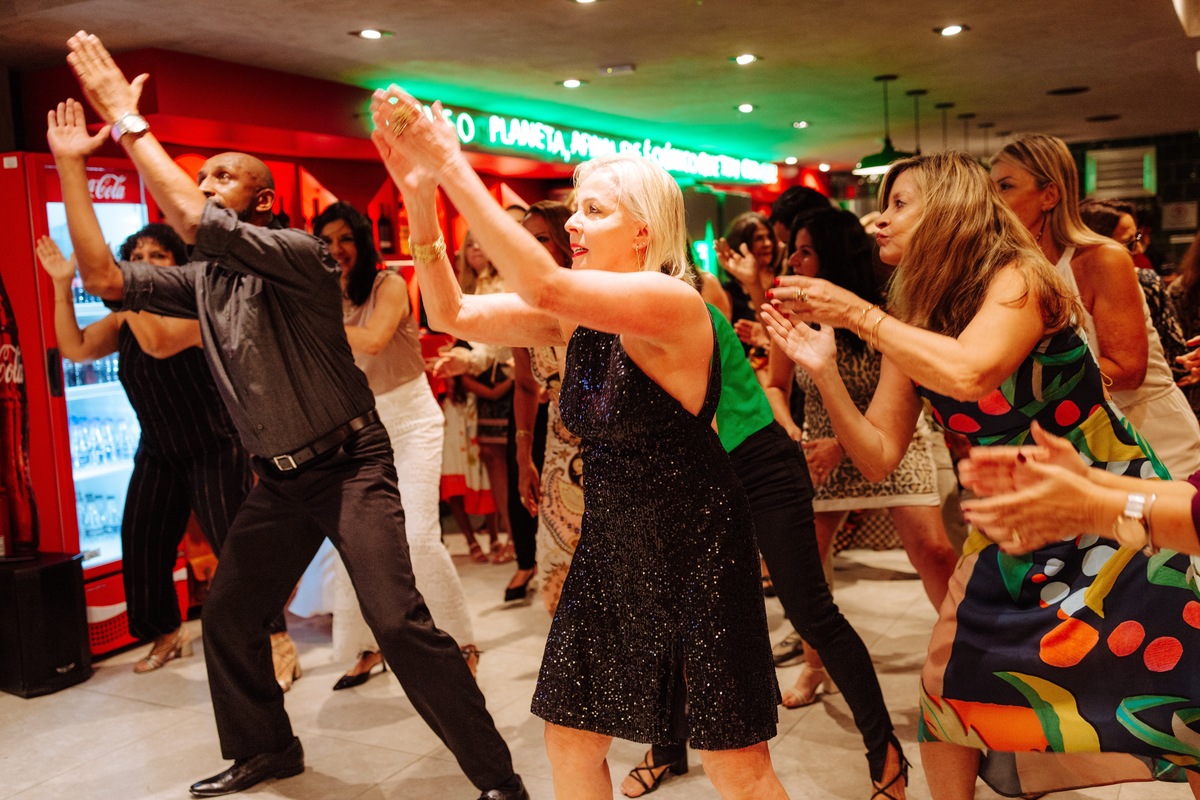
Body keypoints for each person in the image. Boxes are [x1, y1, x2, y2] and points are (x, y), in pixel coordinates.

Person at [64, 32, 526, 800]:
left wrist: (128, 120)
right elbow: (104, 276)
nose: (207, 185)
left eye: (224, 177)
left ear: (263, 201)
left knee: (399, 623)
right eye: (201, 173)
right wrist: (78, 164)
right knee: (230, 616)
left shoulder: (300, 255)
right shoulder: (206, 279)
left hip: (351, 464)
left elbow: (191, 220)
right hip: (279, 481)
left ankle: (498, 780)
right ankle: (267, 750)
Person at [371, 86, 787, 799]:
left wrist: (450, 162)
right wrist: (418, 193)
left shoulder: (672, 302)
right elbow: (451, 310)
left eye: (594, 209)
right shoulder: (577, 316)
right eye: (574, 207)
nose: (573, 221)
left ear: (645, 234)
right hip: (610, 544)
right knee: (569, 739)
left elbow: (545, 283)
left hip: (695, 546)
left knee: (734, 764)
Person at [762, 150, 1200, 798]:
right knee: (949, 697)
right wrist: (824, 371)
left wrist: (858, 315)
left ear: (950, 209)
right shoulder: (909, 319)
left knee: (1173, 698)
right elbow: (879, 454)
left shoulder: (1018, 278)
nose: (878, 222)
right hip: (1012, 523)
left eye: (899, 204)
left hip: (1103, 500)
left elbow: (972, 370)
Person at [617, 299, 910, 798]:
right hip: (695, 477)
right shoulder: (615, 324)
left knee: (812, 614)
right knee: (673, 614)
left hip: (759, 465)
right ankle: (668, 747)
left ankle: (886, 755)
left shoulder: (682, 306)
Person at [35, 103, 266, 678]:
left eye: (154, 259)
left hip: (213, 445)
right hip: (158, 447)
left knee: (238, 551)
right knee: (140, 543)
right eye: (134, 260)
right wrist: (65, 286)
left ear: (177, 266)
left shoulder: (195, 309)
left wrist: (124, 289)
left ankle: (274, 639)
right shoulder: (125, 318)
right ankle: (166, 633)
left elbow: (161, 343)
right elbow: (75, 349)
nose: (142, 267)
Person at [763, 208, 957, 708]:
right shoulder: (792, 310)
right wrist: (791, 430)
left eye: (806, 249)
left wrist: (840, 443)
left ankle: (965, 648)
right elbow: (776, 387)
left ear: (836, 252)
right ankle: (813, 666)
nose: (796, 259)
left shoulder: (888, 308)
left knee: (933, 551)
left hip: (895, 437)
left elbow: (905, 394)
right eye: (795, 250)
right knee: (807, 561)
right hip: (821, 447)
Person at [312, 201, 481, 685]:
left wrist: (308, 325)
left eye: (345, 239)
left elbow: (373, 339)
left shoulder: (386, 285)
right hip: (357, 427)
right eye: (325, 240)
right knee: (356, 542)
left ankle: (462, 640)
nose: (336, 250)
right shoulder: (321, 295)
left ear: (362, 243)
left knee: (420, 538)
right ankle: (367, 646)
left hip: (411, 419)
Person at [991, 135, 1200, 479]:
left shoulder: (1103, 258)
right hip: (1082, 440)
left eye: (1006, 186)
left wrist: (1028, 384)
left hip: (1153, 436)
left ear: (1049, 195)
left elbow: (1129, 369)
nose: (993, 200)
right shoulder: (1011, 270)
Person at [510, 200, 580, 610]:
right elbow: (523, 385)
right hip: (557, 450)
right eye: (524, 240)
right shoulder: (520, 305)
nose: (531, 247)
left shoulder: (595, 295)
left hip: (612, 446)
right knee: (560, 577)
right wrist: (524, 456)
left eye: (541, 238)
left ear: (565, 242)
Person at [1079, 198, 1188, 383]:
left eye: (1137, 238)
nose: (1137, 249)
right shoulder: (1061, 282)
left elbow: (1175, 356)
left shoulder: (1146, 282)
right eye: (1128, 243)